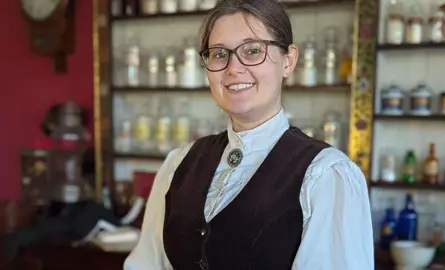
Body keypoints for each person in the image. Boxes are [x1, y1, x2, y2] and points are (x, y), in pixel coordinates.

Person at [124, 0, 374, 269]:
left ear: (288, 61)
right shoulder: (179, 164)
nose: (234, 68)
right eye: (219, 54)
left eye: (253, 50)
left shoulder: (325, 175)